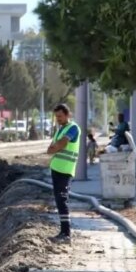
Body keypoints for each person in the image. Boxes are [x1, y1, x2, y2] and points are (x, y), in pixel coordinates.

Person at [46, 104, 80, 242]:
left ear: (67, 115)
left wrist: (56, 147)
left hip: (65, 170)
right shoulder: (60, 130)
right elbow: (50, 148)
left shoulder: (73, 128)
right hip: (56, 169)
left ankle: (66, 234)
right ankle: (63, 232)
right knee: (59, 202)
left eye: (60, 116)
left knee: (62, 200)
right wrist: (54, 147)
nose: (58, 119)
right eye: (56, 117)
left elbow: (62, 144)